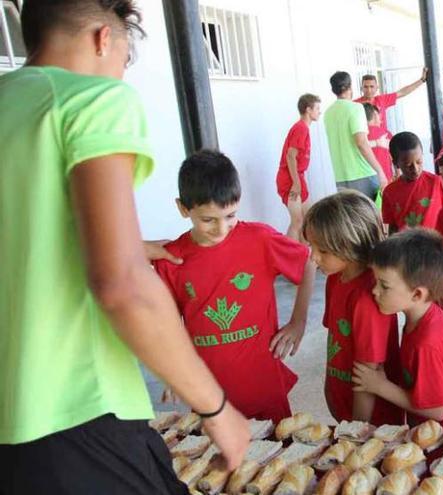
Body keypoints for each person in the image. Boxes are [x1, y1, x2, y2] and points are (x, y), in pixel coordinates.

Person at [0, 2, 250, 491]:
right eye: (125, 59)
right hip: (76, 417)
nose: (121, 75)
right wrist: (216, 408)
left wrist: (124, 244)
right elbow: (121, 286)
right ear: (102, 38)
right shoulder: (91, 99)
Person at [154, 150, 316, 423]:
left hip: (263, 385)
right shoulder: (171, 259)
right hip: (209, 394)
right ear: (183, 208)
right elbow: (166, 322)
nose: (221, 228)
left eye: (230, 215)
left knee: (278, 455)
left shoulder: (260, 239)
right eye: (208, 220)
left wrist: (298, 321)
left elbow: (308, 260)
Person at [353, 229, 443, 432]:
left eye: (384, 286)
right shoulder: (427, 314)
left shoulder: (426, 343)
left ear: (417, 294)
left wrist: (379, 386)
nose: (374, 291)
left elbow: (438, 410)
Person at [304, 191, 404, 426]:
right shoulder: (335, 279)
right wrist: (330, 387)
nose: (313, 257)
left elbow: (368, 373)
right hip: (343, 399)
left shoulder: (368, 298)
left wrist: (358, 430)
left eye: (323, 251)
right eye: (312, 246)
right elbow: (335, 338)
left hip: (373, 420)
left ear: (351, 245)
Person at [324, 71, 388, 199]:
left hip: (340, 176)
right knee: (371, 216)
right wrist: (380, 171)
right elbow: (361, 142)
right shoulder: (356, 108)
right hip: (362, 174)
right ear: (350, 87)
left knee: (352, 217)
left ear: (333, 89)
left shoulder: (328, 113)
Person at [382, 131, 443, 233]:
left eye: (419, 162)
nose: (415, 168)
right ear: (396, 164)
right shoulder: (389, 192)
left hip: (437, 244)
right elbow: (393, 227)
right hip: (408, 246)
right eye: (408, 165)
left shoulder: (436, 182)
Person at [277, 93, 321, 241]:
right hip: (290, 178)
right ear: (308, 110)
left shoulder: (303, 128)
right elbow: (290, 155)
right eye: (317, 108)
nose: (319, 112)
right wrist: (295, 183)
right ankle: (289, 255)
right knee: (297, 221)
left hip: (297, 176)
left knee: (307, 219)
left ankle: (304, 254)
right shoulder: (301, 128)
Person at [354, 69, 427, 134]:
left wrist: (421, 80)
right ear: (361, 88)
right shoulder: (354, 104)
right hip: (365, 142)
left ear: (377, 88)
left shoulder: (381, 99)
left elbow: (402, 92)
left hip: (383, 140)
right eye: (366, 87)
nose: (369, 90)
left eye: (372, 86)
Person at [364, 103, 394, 181]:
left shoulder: (360, 136)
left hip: (366, 179)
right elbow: (394, 156)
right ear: (375, 115)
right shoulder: (386, 134)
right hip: (386, 179)